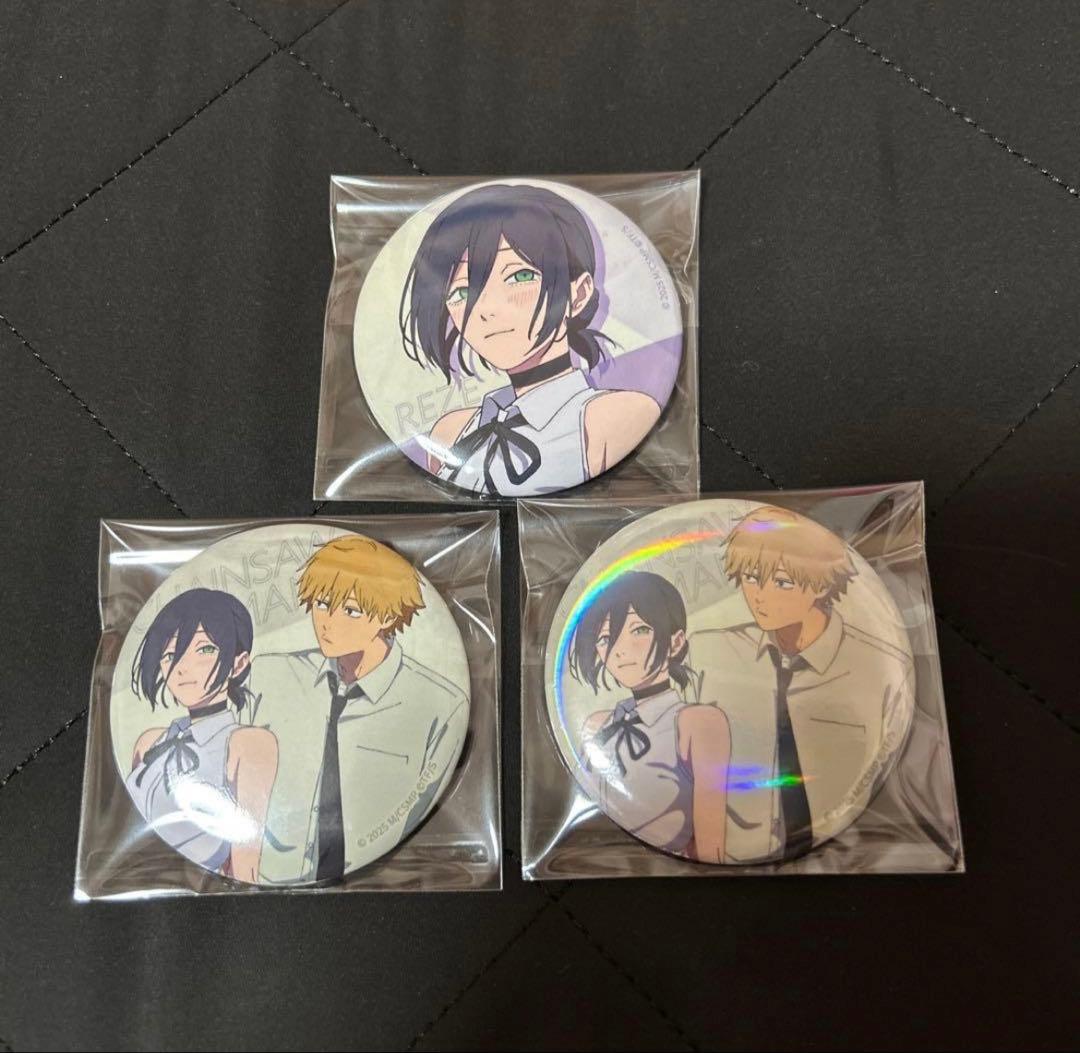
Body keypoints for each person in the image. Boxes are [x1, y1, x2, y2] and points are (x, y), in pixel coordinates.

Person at [399, 183, 660, 495]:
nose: (486, 309)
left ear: (578, 295)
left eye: (519, 276)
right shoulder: (451, 431)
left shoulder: (608, 416)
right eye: (462, 292)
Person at [689, 505, 913, 863]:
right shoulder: (706, 652)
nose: (760, 595)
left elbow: (890, 769)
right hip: (728, 856)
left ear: (821, 583)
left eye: (782, 582)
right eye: (750, 577)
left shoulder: (882, 669)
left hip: (845, 851)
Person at [249, 535, 467, 884]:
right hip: (266, 879)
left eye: (351, 610)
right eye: (322, 603)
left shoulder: (442, 706)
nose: (328, 622)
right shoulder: (267, 673)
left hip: (382, 881)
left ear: (388, 614)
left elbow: (423, 812)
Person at [570, 571, 730, 862]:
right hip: (589, 870)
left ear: (676, 642)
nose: (620, 650)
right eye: (606, 638)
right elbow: (577, 822)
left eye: (639, 630)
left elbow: (710, 848)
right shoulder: (597, 724)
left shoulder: (698, 723)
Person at [126, 588, 278, 883]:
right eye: (170, 655)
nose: (183, 666)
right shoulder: (149, 742)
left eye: (204, 650)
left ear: (238, 663)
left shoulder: (247, 744)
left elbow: (245, 862)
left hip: (197, 894)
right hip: (132, 880)